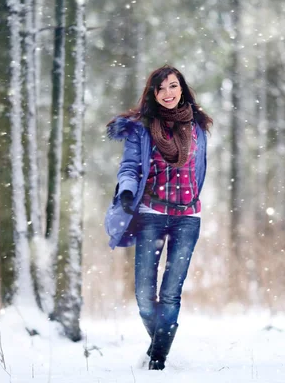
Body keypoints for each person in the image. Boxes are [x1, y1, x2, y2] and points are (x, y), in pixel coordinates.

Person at [104, 65, 213, 370]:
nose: (168, 94)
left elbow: (199, 169)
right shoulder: (142, 127)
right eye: (161, 88)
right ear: (153, 93)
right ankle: (161, 343)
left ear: (183, 89)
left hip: (188, 218)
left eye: (173, 86)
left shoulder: (198, 128)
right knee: (143, 295)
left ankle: (157, 362)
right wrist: (126, 193)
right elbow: (128, 168)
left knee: (170, 294)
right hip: (151, 214)